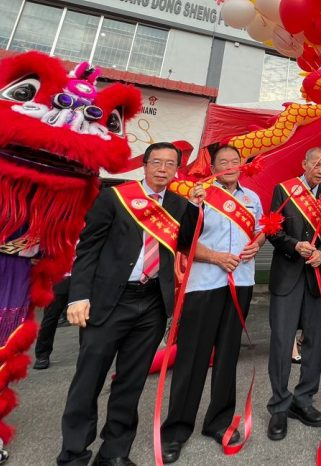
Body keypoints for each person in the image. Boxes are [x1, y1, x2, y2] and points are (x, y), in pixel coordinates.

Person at [57, 143, 201, 466]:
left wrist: (194, 206)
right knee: (88, 380)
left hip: (150, 304)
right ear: (145, 165)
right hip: (109, 302)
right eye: (157, 163)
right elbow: (88, 248)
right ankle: (73, 455)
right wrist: (79, 295)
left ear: (177, 169)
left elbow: (188, 242)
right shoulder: (115, 198)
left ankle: (114, 452)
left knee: (131, 383)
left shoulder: (177, 205)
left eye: (170, 164)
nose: (163, 169)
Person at [160, 144, 264, 463]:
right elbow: (183, 239)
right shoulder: (199, 193)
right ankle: (176, 429)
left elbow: (259, 231)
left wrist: (257, 245)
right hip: (205, 283)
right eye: (223, 162)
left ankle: (218, 422)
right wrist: (216, 257)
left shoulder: (252, 198)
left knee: (228, 354)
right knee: (193, 356)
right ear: (213, 166)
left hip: (241, 282)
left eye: (235, 161)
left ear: (241, 165)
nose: (230, 165)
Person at [264, 147, 321, 441]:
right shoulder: (284, 190)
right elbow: (272, 230)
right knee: (282, 343)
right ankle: (279, 405)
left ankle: (303, 399)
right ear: (304, 163)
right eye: (316, 164)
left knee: (313, 343)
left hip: (316, 277)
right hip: (287, 277)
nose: (320, 169)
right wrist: (294, 245)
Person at [33, 272, 72, 369]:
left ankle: (90, 353)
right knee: (51, 316)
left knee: (88, 315)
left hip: (84, 274)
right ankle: (42, 354)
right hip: (60, 276)